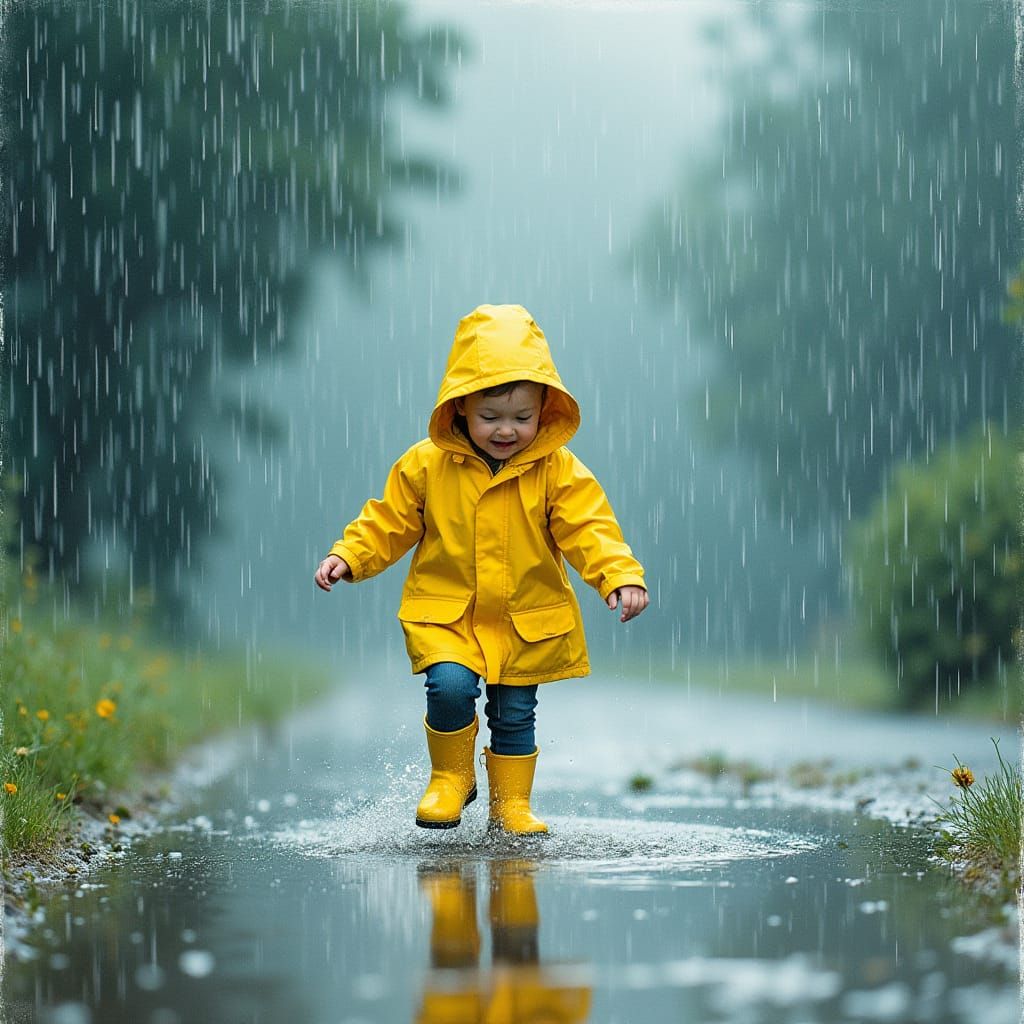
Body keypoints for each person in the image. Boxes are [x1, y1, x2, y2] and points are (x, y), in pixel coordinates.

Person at [314, 304, 648, 835]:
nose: (506, 430)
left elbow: (590, 528)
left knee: (514, 714)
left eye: (522, 417)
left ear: (544, 410)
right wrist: (350, 555)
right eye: (491, 417)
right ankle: (451, 776)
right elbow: (388, 521)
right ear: (461, 407)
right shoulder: (426, 464)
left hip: (523, 620)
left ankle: (510, 805)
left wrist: (619, 575)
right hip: (449, 616)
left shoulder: (557, 470)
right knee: (448, 687)